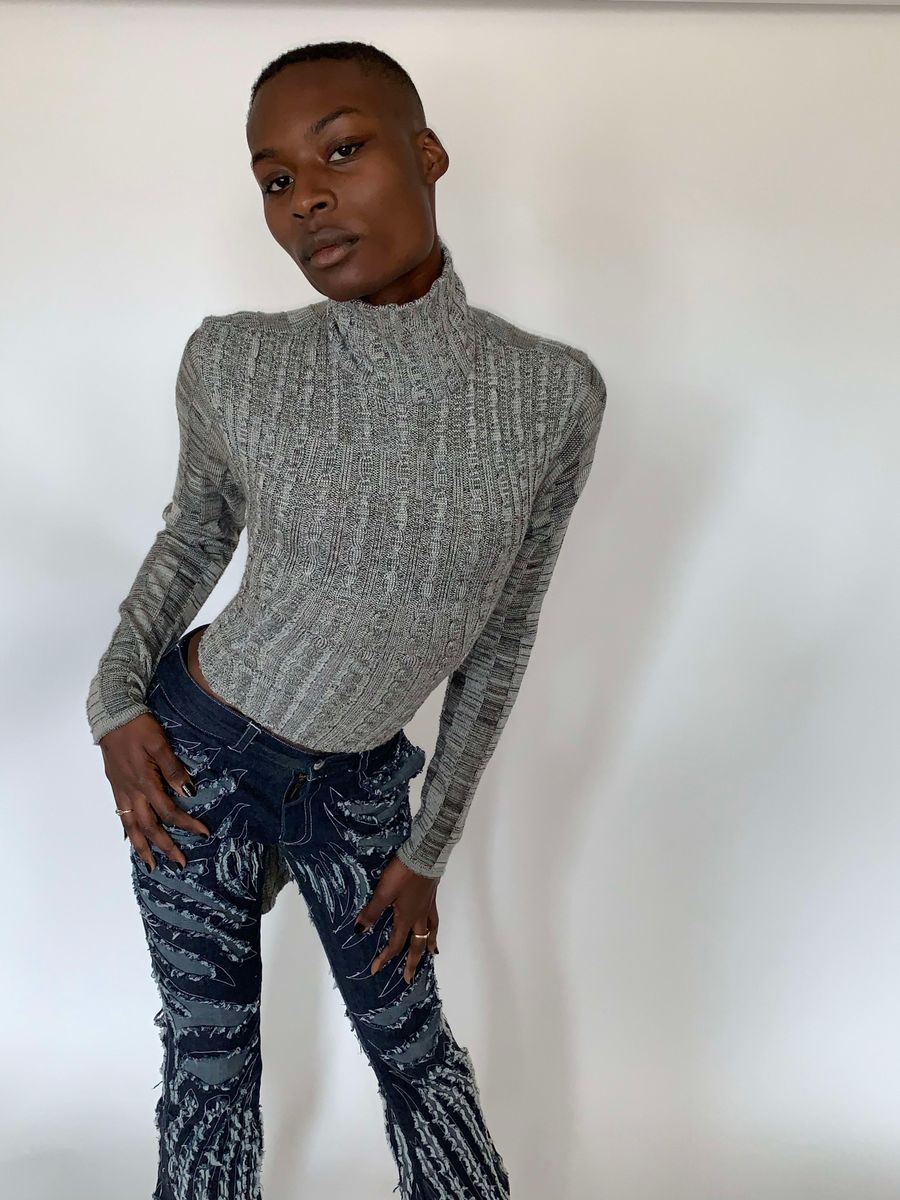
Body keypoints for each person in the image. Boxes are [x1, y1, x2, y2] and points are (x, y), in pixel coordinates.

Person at [87, 39, 607, 1200]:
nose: (307, 197)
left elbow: (502, 637)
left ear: (428, 154)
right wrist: (114, 700)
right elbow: (195, 537)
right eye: (276, 179)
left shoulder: (553, 393)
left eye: (344, 150)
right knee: (211, 1070)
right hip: (197, 761)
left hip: (361, 785)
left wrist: (428, 850)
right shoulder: (236, 360)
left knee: (415, 1055)